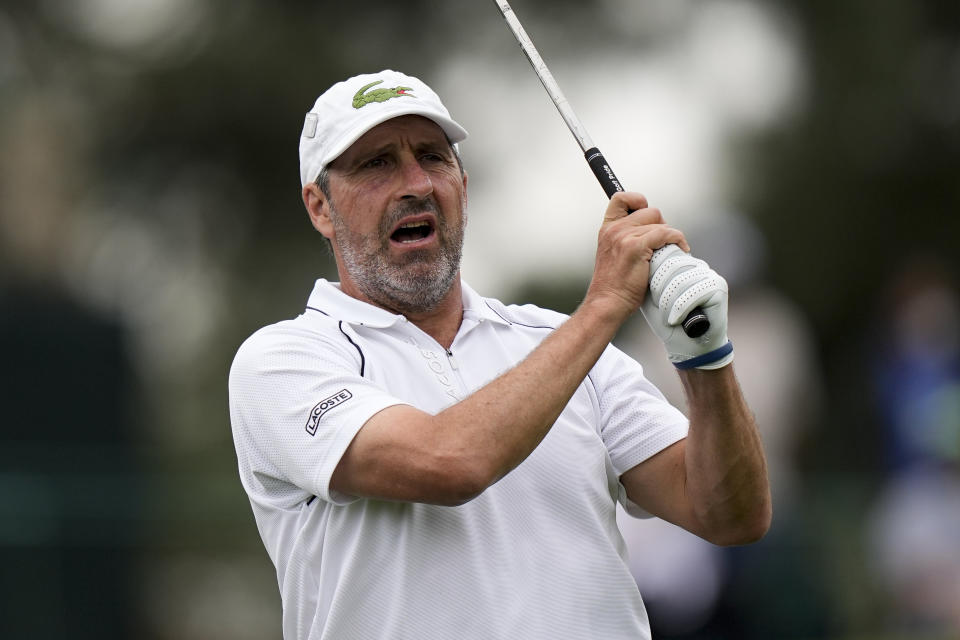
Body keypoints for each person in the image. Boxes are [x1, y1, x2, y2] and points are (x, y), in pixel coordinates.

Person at [228, 69, 771, 640]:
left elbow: (730, 515)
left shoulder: (560, 342)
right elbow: (451, 462)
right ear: (320, 206)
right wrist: (606, 303)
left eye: (433, 157)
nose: (415, 183)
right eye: (376, 163)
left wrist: (703, 355)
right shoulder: (284, 361)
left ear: (462, 183)